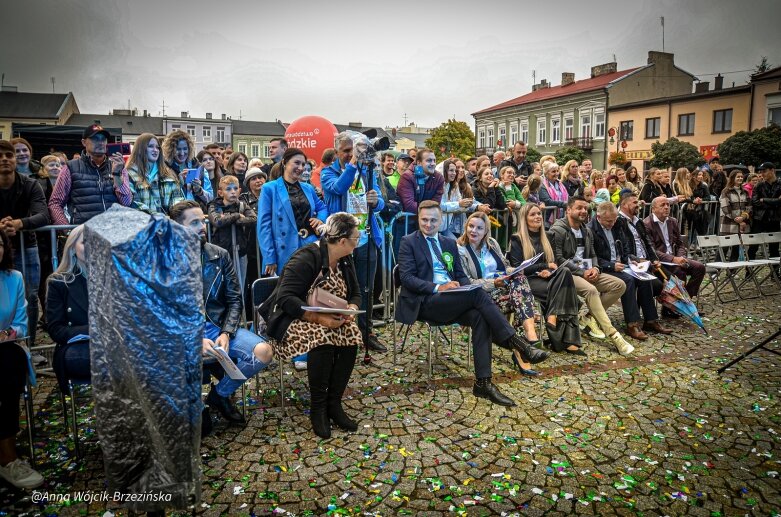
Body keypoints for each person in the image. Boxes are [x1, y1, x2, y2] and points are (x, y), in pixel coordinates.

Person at [396, 201, 549, 407]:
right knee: (478, 294)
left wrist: (462, 287)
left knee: (480, 317)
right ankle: (520, 345)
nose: (428, 224)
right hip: (426, 301)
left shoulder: (449, 243)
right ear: (418, 219)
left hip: (452, 299)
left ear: (441, 220)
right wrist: (437, 287)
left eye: (433, 220)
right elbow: (406, 278)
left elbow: (462, 276)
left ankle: (483, 383)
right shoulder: (409, 241)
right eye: (424, 220)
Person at [259, 213, 363, 438]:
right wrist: (318, 318)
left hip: (329, 315)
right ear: (343, 240)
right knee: (322, 337)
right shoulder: (306, 257)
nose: (359, 240)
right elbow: (285, 299)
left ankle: (334, 404)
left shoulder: (345, 257)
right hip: (292, 318)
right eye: (357, 236)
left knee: (351, 334)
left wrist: (352, 309)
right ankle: (318, 408)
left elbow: (355, 292)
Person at [170, 200, 273, 425]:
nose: (201, 227)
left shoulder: (219, 255)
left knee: (263, 352)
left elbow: (234, 299)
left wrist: (226, 332)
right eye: (194, 222)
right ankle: (193, 406)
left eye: (203, 221)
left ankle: (219, 396)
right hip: (183, 334)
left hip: (218, 326)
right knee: (202, 429)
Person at [321, 134, 387, 352]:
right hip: (341, 243)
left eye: (354, 150)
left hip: (366, 238)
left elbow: (380, 202)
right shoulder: (328, 172)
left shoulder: (367, 171)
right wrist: (352, 164)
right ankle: (342, 334)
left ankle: (366, 333)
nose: (351, 154)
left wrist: (376, 201)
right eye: (346, 150)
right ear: (337, 152)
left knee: (366, 290)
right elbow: (339, 188)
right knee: (341, 290)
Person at [457, 212, 543, 374]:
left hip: (503, 290)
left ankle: (525, 342)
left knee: (519, 280)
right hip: (481, 296)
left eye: (479, 228)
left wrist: (516, 270)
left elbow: (504, 267)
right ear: (465, 227)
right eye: (471, 226)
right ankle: (528, 340)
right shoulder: (460, 250)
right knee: (521, 300)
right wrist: (493, 283)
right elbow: (467, 282)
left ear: (486, 231)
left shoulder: (492, 244)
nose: (474, 231)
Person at [549, 196, 633, 355]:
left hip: (587, 272)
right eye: (579, 208)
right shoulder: (557, 230)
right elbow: (557, 259)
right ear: (568, 210)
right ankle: (614, 335)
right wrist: (582, 272)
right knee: (591, 291)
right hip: (567, 274)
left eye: (585, 208)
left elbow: (593, 254)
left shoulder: (587, 231)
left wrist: (595, 268)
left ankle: (588, 316)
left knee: (620, 285)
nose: (583, 211)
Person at [0, 229, 44, 488]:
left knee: (9, 363)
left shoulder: (13, 278)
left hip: (6, 347)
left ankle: (7, 455)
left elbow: (21, 325)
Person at [508, 205, 583, 355]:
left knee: (564, 272)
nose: (538, 217)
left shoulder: (549, 236)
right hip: (528, 281)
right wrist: (543, 266)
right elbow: (517, 268)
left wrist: (548, 270)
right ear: (524, 219)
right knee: (566, 290)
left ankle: (553, 316)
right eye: (533, 214)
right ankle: (568, 340)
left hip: (549, 279)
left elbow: (554, 262)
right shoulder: (517, 239)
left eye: (539, 214)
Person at [591, 199, 670, 340]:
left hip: (622, 265)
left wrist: (631, 259)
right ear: (599, 217)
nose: (612, 224)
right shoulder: (591, 229)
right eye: (608, 221)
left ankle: (651, 320)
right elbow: (593, 257)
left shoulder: (616, 225)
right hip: (605, 267)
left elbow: (624, 247)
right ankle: (632, 324)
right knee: (628, 281)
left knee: (643, 278)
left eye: (614, 220)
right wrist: (611, 265)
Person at [0, 140, 50, 347]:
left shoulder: (30, 184)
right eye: (0, 156)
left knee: (29, 297)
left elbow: (43, 215)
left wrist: (20, 223)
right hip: (0, 246)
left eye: (8, 155)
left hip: (26, 246)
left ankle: (27, 345)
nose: (4, 159)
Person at [259, 148, 329, 280]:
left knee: (311, 291)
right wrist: (269, 257)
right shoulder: (269, 188)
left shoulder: (308, 188)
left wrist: (320, 219)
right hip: (283, 251)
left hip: (311, 245)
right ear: (284, 162)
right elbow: (264, 225)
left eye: (303, 164)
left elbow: (323, 208)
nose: (301, 167)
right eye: (296, 163)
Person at [48, 125, 133, 225]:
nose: (101, 142)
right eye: (95, 139)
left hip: (114, 232)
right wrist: (67, 231)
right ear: (84, 142)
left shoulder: (117, 166)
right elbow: (55, 203)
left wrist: (117, 174)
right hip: (84, 233)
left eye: (103, 139)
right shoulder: (71, 167)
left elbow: (127, 202)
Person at [46, 225, 91, 391]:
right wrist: (94, 330)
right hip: (77, 347)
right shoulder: (59, 282)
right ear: (72, 248)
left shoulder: (111, 277)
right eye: (85, 242)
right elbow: (56, 329)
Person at [644, 196, 707, 299]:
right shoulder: (647, 224)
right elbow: (651, 251)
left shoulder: (672, 221)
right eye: (662, 205)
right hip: (660, 262)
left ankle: (687, 301)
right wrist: (673, 259)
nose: (666, 207)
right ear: (653, 209)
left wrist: (680, 257)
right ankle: (671, 307)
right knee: (679, 272)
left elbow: (680, 244)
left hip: (675, 258)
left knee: (699, 267)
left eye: (668, 205)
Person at [208, 175, 257, 289]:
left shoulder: (242, 205)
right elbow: (217, 221)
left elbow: (254, 219)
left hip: (240, 251)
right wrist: (236, 216)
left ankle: (241, 307)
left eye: (235, 189)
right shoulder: (214, 205)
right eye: (228, 189)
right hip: (220, 253)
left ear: (239, 191)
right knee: (222, 285)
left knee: (240, 284)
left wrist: (231, 220)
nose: (233, 192)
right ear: (220, 192)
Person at [124, 133, 186, 215]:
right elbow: (133, 203)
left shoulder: (168, 174)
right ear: (140, 149)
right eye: (150, 146)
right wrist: (157, 217)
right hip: (143, 225)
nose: (155, 150)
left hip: (167, 225)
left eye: (157, 147)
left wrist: (177, 212)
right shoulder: (129, 174)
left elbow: (177, 199)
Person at [162, 130, 214, 205]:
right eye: (178, 149)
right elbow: (163, 197)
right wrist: (179, 184)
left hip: (197, 212)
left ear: (189, 148)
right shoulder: (165, 169)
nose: (182, 153)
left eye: (185, 149)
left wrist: (199, 190)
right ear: (171, 150)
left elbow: (210, 198)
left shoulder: (199, 168)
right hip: (176, 213)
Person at [719, 169, 754, 262]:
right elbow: (725, 208)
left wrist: (743, 217)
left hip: (741, 225)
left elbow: (749, 207)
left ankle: (731, 272)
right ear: (732, 178)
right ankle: (715, 272)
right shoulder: (725, 191)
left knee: (735, 250)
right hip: (728, 224)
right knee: (724, 248)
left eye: (741, 177)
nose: (740, 178)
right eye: (738, 176)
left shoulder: (745, 192)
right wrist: (737, 219)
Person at [396, 148, 444, 214]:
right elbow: (409, 205)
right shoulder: (407, 177)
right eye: (429, 160)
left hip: (429, 220)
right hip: (409, 222)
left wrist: (429, 212)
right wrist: (429, 211)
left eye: (434, 160)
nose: (433, 164)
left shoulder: (438, 178)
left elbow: (436, 203)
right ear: (419, 162)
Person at [751, 162, 781, 258]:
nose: (762, 174)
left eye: (764, 171)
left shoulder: (780, 185)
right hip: (760, 218)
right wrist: (775, 202)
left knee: (774, 247)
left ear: (772, 170)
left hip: (775, 218)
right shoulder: (759, 186)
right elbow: (755, 202)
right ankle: (749, 272)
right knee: (753, 246)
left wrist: (765, 200)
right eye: (761, 171)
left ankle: (775, 272)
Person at [440, 159, 475, 238]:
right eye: (451, 170)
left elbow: (460, 202)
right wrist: (459, 204)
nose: (454, 173)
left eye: (455, 171)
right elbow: (440, 205)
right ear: (444, 171)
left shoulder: (453, 185)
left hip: (445, 227)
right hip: (436, 227)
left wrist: (468, 204)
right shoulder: (439, 184)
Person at [539, 161, 568, 227]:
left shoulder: (560, 184)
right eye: (553, 171)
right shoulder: (542, 185)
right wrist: (563, 204)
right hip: (547, 219)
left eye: (557, 171)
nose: (556, 173)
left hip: (561, 217)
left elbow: (567, 197)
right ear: (546, 173)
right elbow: (547, 200)